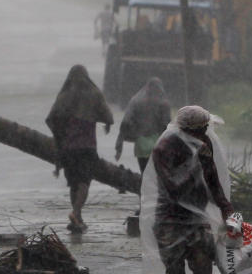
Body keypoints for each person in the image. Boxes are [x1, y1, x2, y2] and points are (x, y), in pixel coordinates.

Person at [140, 105, 234, 274]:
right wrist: (197, 161)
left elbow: (213, 182)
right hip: (169, 222)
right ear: (185, 131)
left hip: (197, 222)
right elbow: (175, 187)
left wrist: (228, 211)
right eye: (200, 131)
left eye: (206, 129)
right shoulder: (165, 148)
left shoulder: (204, 144)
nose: (205, 134)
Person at [46, 65, 113, 233]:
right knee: (84, 181)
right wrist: (106, 123)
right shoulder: (94, 94)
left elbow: (51, 118)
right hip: (87, 146)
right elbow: (108, 115)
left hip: (68, 147)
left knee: (74, 183)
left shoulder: (64, 96)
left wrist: (60, 133)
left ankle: (77, 219)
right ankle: (76, 212)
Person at [115, 77, 172, 174]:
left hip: (141, 144)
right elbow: (166, 125)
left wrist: (119, 146)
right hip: (158, 145)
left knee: (144, 173)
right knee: (156, 175)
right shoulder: (163, 103)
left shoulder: (136, 101)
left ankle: (144, 187)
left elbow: (126, 122)